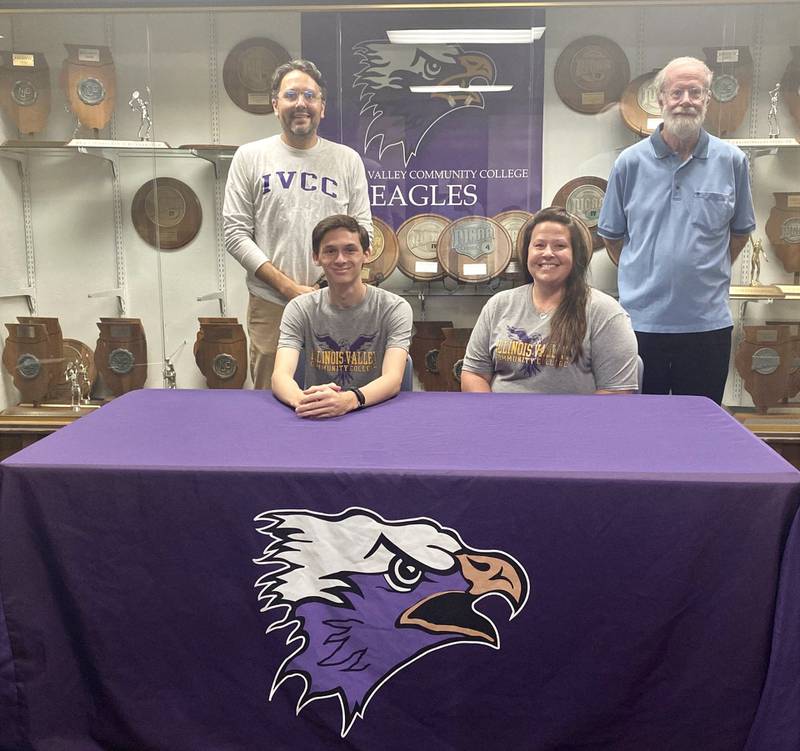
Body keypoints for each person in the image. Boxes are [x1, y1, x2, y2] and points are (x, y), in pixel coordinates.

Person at [597, 56, 756, 405]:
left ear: (707, 99)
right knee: (638, 428)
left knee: (700, 429)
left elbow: (741, 231)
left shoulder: (732, 161)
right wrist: (644, 269)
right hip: (639, 325)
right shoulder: (630, 163)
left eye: (695, 92)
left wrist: (703, 269)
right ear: (661, 99)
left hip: (707, 326)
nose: (686, 100)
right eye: (677, 92)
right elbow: (611, 234)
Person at [223, 59, 372, 389]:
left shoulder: (346, 160)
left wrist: (322, 289)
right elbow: (235, 234)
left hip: (337, 303)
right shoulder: (250, 157)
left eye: (310, 95)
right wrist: (288, 289)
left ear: (323, 107)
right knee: (271, 396)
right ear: (276, 105)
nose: (301, 103)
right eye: (291, 95)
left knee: (338, 394)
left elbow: (364, 230)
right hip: (271, 303)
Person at [461, 206, 638, 394]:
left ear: (575, 255)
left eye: (559, 246)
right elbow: (474, 374)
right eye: (539, 245)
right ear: (527, 252)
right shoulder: (499, 304)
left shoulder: (605, 312)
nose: (547, 253)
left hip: (571, 421)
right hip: (501, 420)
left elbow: (618, 392)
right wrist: (493, 414)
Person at [271, 215, 412, 418]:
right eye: (330, 251)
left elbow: (393, 378)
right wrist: (303, 402)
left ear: (367, 254)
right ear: (316, 257)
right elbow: (280, 376)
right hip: (319, 415)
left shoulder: (394, 308)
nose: (340, 259)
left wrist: (350, 400)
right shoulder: (299, 309)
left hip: (374, 412)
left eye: (350, 250)